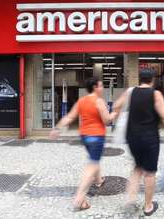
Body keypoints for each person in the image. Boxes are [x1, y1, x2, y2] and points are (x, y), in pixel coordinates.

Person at [113, 69, 164, 216]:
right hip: (149, 138)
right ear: (152, 80)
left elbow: (116, 106)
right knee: (149, 173)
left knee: (137, 168)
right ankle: (148, 206)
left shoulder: (130, 92)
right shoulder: (155, 94)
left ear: (140, 79)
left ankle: (130, 200)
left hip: (132, 137)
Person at [50, 77, 116, 211]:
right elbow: (106, 121)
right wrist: (114, 114)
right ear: (95, 87)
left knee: (94, 160)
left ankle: (98, 180)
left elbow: (69, 116)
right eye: (101, 86)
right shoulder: (99, 101)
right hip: (96, 137)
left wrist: (57, 128)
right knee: (91, 165)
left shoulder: (82, 101)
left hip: (85, 136)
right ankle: (79, 199)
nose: (102, 88)